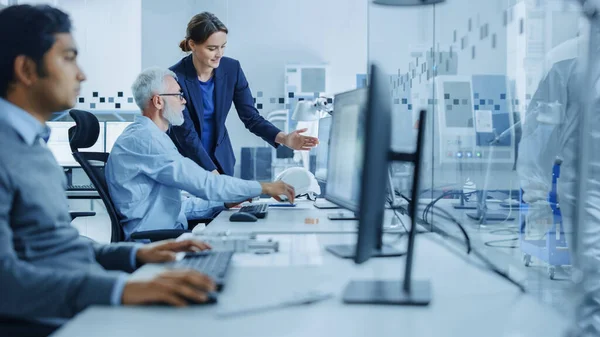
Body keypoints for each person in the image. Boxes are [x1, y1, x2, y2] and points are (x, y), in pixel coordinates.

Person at [0, 5, 221, 332]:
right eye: (69, 57)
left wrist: (134, 257)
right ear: (26, 69)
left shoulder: (32, 146)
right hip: (48, 320)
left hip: (73, 299)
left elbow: (60, 246)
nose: (82, 75)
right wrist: (121, 289)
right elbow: (6, 283)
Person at [105, 67, 296, 239]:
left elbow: (177, 206)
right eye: (178, 95)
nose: (184, 101)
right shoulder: (146, 140)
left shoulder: (154, 137)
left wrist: (223, 204)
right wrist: (264, 187)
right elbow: (205, 184)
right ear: (158, 101)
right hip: (154, 242)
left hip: (167, 234)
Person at [169, 12, 319, 176]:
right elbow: (186, 134)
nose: (219, 54)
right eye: (212, 48)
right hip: (188, 161)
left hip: (221, 160)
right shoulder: (175, 78)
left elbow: (251, 117)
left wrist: (284, 138)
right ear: (192, 45)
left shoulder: (231, 69)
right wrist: (213, 176)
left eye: (223, 46)